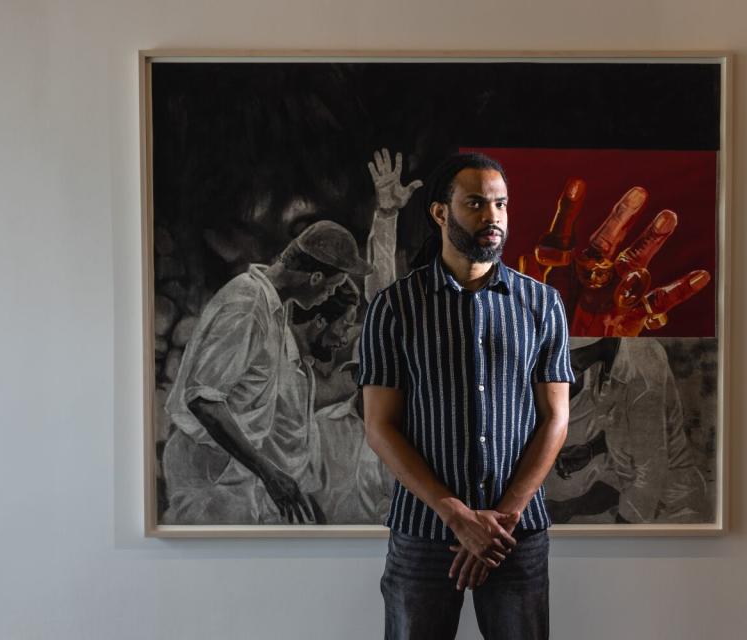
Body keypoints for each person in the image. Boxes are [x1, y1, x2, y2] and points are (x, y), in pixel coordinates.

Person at [358, 153, 574, 640]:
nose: (493, 217)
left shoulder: (542, 304)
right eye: (476, 203)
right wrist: (455, 514)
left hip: (514, 536)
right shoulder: (394, 308)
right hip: (425, 533)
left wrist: (500, 521)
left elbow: (555, 419)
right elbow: (379, 426)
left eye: (501, 204)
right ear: (440, 213)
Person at [162, 220, 372, 525]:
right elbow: (204, 401)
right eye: (333, 286)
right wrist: (269, 473)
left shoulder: (271, 307)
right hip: (208, 469)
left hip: (232, 468)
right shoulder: (246, 305)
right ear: (315, 277)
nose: (330, 295)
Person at [547, 337, 710, 524]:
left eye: (564, 357)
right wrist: (591, 449)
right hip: (635, 495)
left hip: (673, 510)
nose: (558, 371)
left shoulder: (642, 366)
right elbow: (627, 433)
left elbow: (651, 472)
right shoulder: (600, 360)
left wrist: (622, 538)